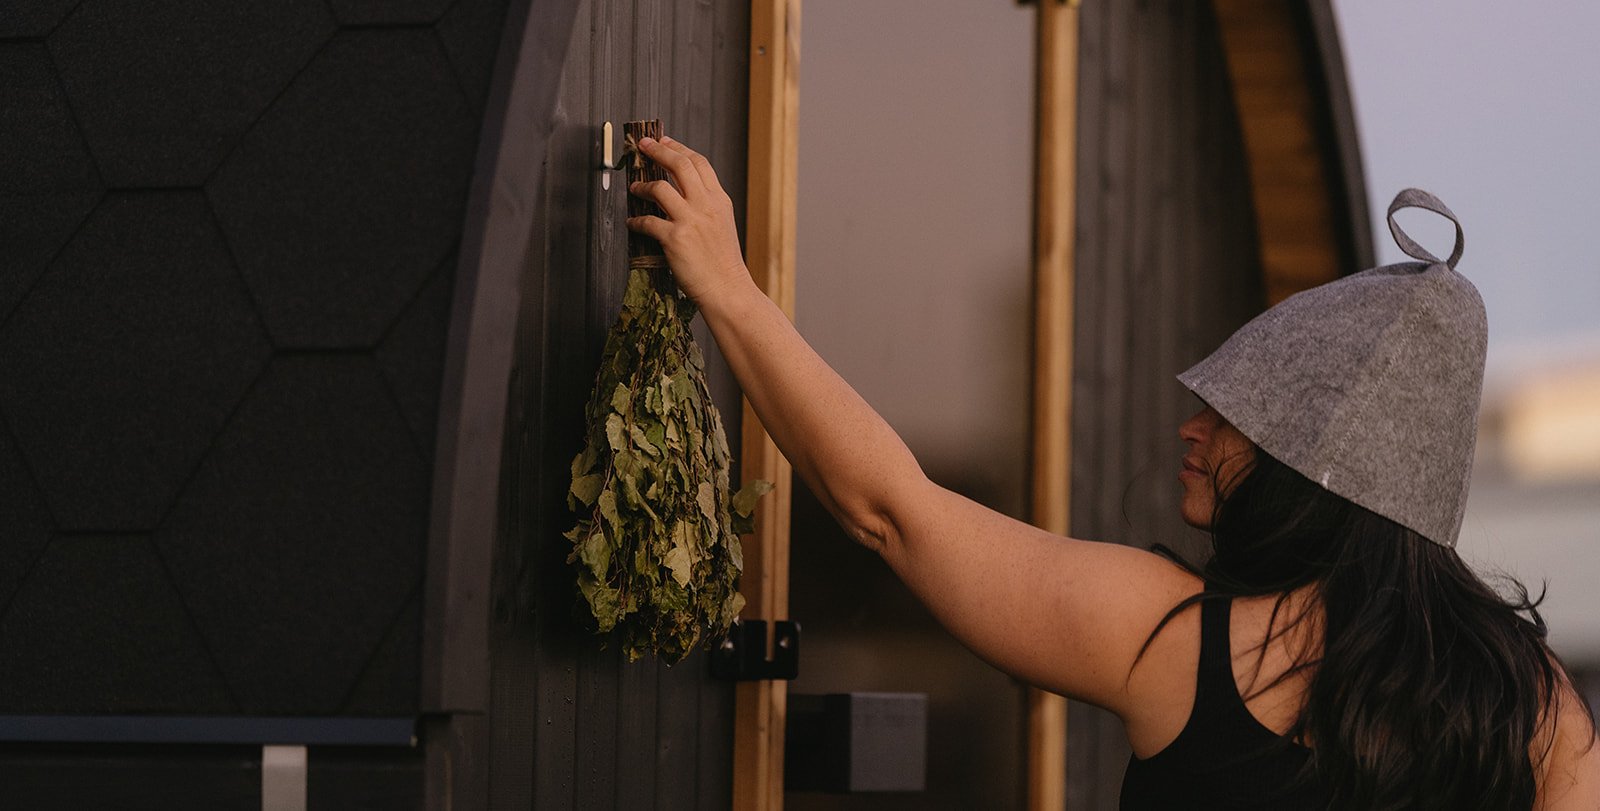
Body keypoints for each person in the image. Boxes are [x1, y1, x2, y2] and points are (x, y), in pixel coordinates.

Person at [623, 134, 1600, 809]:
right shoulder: (1540, 704)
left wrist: (730, 288)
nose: (1191, 425)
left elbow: (894, 513)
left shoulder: (1179, 641)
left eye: (1233, 415)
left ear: (1312, 469)